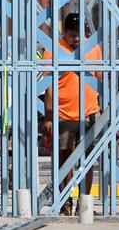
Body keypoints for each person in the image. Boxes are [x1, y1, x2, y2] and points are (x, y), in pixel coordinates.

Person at [40, 12, 103, 216]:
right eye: (72, 34)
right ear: (64, 32)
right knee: (64, 160)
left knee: (88, 159)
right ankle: (66, 202)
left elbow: (101, 80)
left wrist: (105, 110)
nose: (76, 39)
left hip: (89, 112)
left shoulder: (93, 47)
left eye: (79, 35)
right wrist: (49, 117)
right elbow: (48, 86)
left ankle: (84, 205)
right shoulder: (54, 49)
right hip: (63, 114)